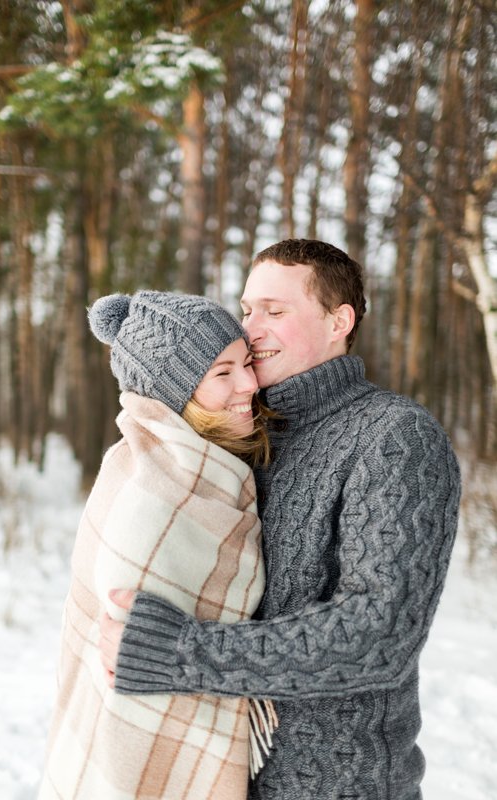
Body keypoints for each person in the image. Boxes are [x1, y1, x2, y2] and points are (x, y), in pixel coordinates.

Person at [99, 240, 462, 800]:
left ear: (339, 321)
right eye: (247, 310)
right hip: (220, 777)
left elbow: (379, 633)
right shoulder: (240, 430)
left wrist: (182, 652)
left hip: (340, 786)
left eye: (274, 310)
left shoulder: (394, 436)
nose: (250, 329)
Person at [38, 290, 278, 800]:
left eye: (246, 363)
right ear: (176, 394)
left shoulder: (217, 473)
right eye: (223, 372)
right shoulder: (149, 492)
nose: (250, 383)